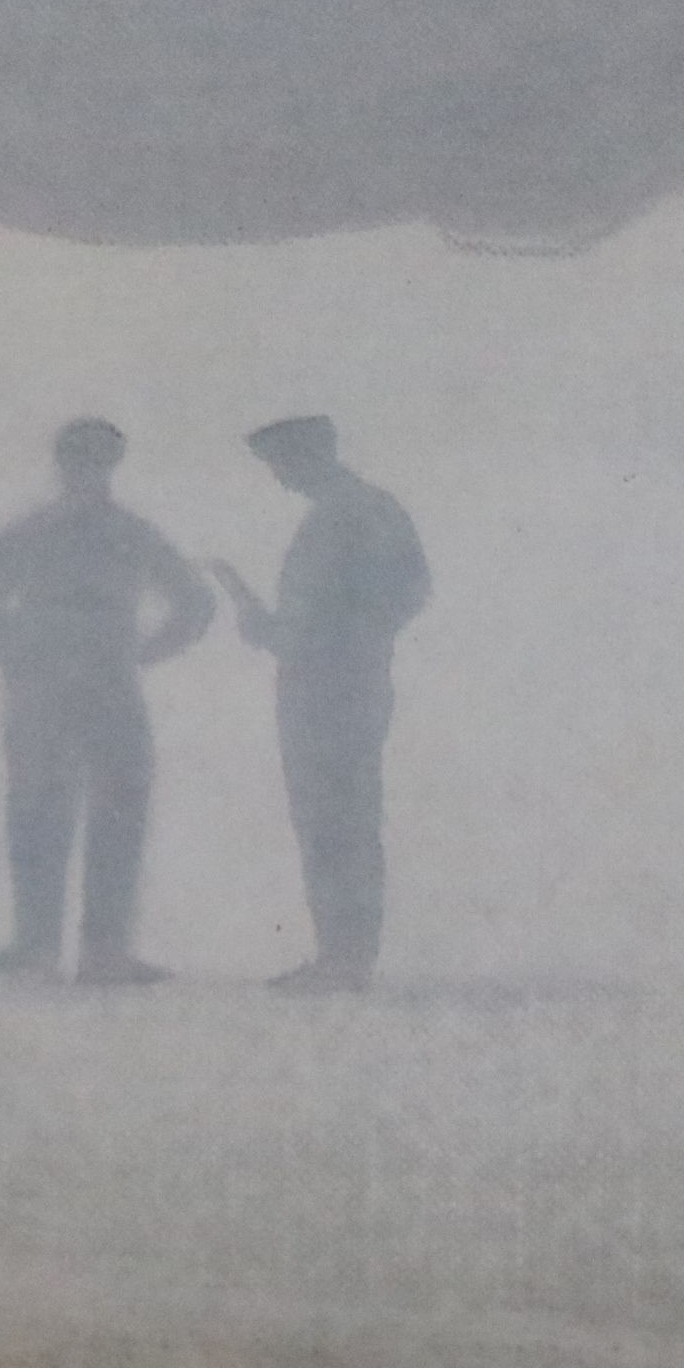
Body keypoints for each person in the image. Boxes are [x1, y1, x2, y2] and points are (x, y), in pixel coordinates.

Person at [0, 418, 212, 985]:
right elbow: (195, 607)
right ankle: (98, 950)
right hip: (103, 682)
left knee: (42, 808)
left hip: (49, 686)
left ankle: (39, 946)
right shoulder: (130, 532)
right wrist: (140, 653)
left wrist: (24, 659)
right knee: (109, 809)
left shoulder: (27, 532)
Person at [212, 416, 432, 994]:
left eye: (281, 466)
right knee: (351, 816)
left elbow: (314, 622)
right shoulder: (379, 508)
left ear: (305, 458)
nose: (279, 480)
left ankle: (342, 957)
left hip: (321, 690)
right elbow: (413, 589)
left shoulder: (336, 519)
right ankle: (348, 953)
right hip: (360, 682)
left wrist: (268, 628)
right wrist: (365, 637)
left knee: (329, 820)